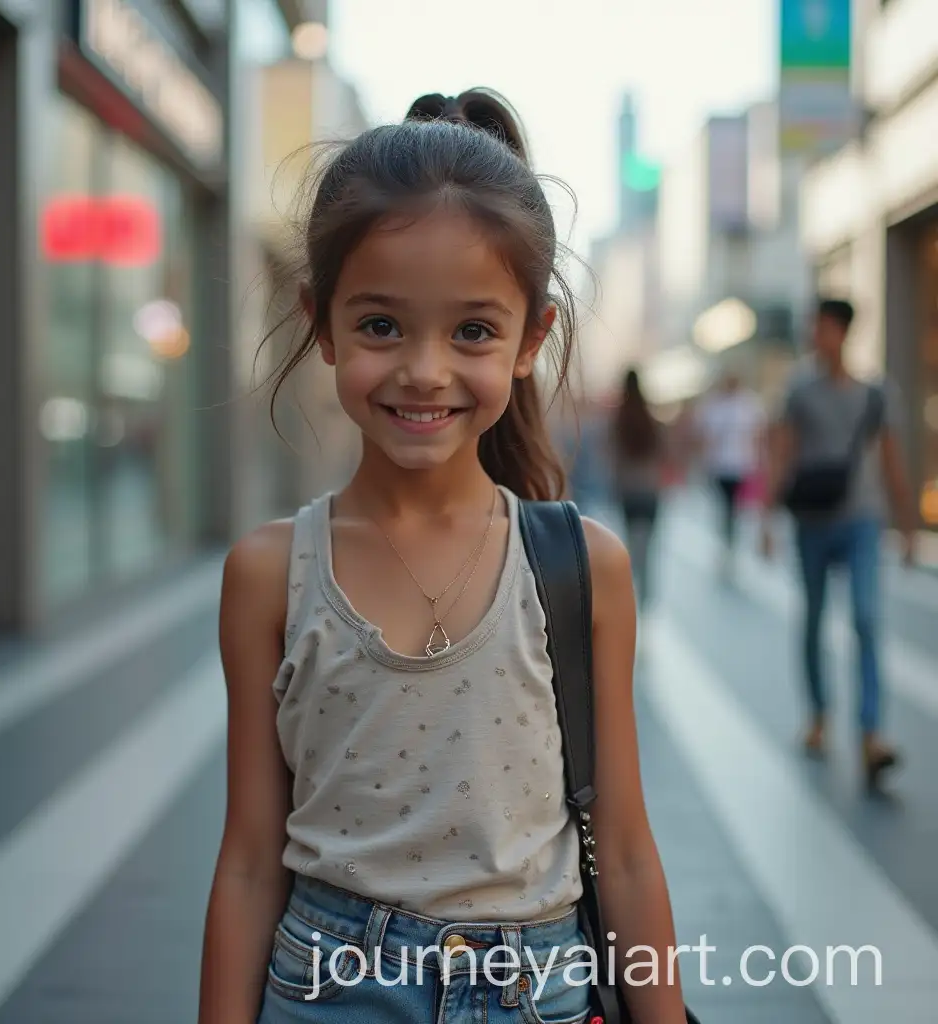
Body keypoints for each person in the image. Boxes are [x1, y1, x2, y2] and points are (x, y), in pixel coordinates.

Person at [198, 90, 688, 1024]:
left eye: (471, 330)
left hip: (537, 991)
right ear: (323, 322)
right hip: (327, 988)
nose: (424, 369)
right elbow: (252, 857)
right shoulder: (270, 573)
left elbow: (622, 847)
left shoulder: (585, 566)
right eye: (382, 325)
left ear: (529, 340)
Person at [761, 297, 916, 791]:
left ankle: (871, 734)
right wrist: (766, 515)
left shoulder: (875, 392)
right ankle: (818, 714)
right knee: (812, 617)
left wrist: (907, 524)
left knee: (867, 619)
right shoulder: (799, 388)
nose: (816, 335)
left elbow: (892, 459)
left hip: (862, 520)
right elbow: (783, 451)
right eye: (813, 326)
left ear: (843, 332)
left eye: (823, 327)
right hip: (811, 520)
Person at [696, 371, 766, 579]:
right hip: (719, 467)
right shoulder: (715, 405)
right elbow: (706, 436)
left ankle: (731, 548)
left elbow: (757, 435)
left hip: (741, 467)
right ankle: (725, 546)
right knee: (724, 510)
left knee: (734, 511)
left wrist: (758, 463)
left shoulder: (749, 404)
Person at [609, 367, 665, 607]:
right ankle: (645, 600)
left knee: (632, 543)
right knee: (648, 548)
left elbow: (612, 457)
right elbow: (662, 452)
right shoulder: (651, 418)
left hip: (627, 491)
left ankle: (631, 596)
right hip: (650, 490)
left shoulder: (619, 420)